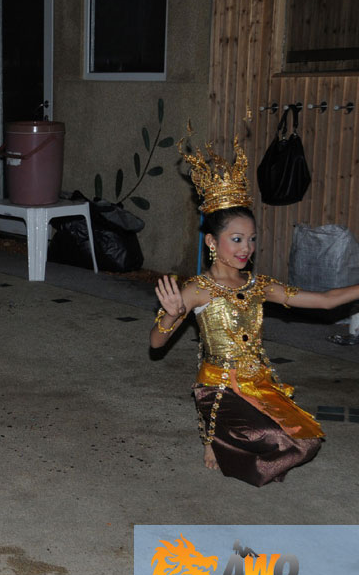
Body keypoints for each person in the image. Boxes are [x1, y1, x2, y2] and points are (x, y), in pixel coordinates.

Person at [150, 136, 359, 487]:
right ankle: (217, 439)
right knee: (281, 444)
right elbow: (156, 344)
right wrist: (170, 315)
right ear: (212, 243)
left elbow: (324, 300)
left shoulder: (258, 286)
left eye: (252, 239)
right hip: (218, 391)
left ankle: (227, 441)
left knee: (308, 440)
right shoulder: (199, 289)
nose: (246, 248)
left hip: (258, 385)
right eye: (236, 239)